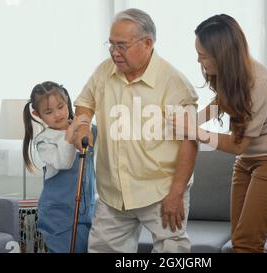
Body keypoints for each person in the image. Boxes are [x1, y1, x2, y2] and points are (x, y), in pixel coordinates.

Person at [169, 14, 267, 253]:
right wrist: (193, 120)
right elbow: (221, 101)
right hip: (247, 161)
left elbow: (238, 145)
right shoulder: (229, 73)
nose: (199, 61)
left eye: (203, 55)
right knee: (241, 240)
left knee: (246, 244)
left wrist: (194, 130)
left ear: (222, 54)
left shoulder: (259, 82)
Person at [72, 9, 199, 253]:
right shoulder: (104, 71)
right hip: (113, 192)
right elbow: (84, 102)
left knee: (172, 252)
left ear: (147, 43)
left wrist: (176, 193)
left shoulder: (174, 83)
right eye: (111, 45)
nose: (114, 52)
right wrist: (84, 124)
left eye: (122, 45)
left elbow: (189, 141)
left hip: (160, 191)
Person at [22, 81, 96, 253]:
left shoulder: (85, 129)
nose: (57, 114)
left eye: (61, 107)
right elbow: (63, 162)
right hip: (58, 213)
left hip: (85, 209)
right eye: (49, 112)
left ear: (67, 102)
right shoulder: (44, 140)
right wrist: (70, 134)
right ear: (37, 114)